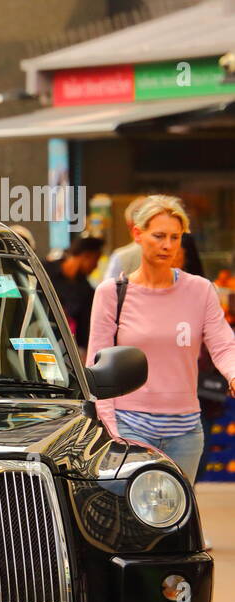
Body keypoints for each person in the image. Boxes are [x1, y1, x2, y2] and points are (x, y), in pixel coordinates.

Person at [86, 195, 235, 483]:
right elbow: (97, 364)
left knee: (176, 519)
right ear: (137, 235)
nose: (167, 245)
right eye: (159, 236)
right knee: (135, 519)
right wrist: (110, 429)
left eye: (175, 237)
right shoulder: (111, 293)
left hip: (187, 431)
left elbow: (223, 343)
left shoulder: (200, 290)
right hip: (131, 425)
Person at [44, 235, 103, 356]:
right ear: (86, 255)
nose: (96, 266)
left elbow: (83, 331)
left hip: (60, 350)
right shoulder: (44, 270)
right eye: (96, 260)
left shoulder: (87, 291)